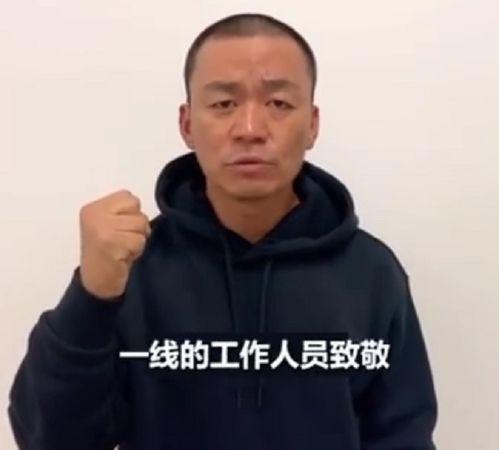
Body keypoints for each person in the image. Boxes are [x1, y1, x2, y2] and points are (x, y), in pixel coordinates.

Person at [8, 13, 438, 450]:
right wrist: (91, 295)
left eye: (278, 104)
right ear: (187, 125)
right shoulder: (132, 267)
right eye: (223, 104)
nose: (250, 130)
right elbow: (50, 439)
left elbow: (402, 436)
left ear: (312, 124)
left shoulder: (371, 273)